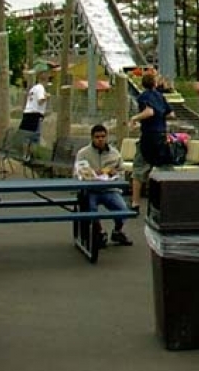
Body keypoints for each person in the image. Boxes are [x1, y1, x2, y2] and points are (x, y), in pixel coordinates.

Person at [73, 124, 133, 247]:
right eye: (97, 137)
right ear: (92, 138)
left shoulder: (115, 153)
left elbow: (121, 171)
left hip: (109, 188)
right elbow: (76, 173)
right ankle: (99, 232)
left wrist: (115, 174)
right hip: (91, 190)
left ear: (107, 137)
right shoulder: (83, 153)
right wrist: (88, 175)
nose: (100, 139)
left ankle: (117, 230)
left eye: (103, 136)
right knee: (91, 209)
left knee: (123, 210)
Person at [128, 70, 173, 211]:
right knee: (164, 167)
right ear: (154, 83)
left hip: (148, 137)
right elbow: (171, 114)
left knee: (139, 169)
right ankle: (167, 200)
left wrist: (134, 118)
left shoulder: (143, 97)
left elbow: (149, 112)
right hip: (161, 135)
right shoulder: (161, 96)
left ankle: (135, 202)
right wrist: (161, 118)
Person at [19, 69, 50, 155]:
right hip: (35, 115)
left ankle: (24, 155)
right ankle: (32, 156)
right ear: (45, 80)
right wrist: (47, 96)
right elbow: (40, 101)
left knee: (25, 136)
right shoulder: (40, 88)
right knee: (34, 138)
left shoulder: (33, 88)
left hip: (27, 114)